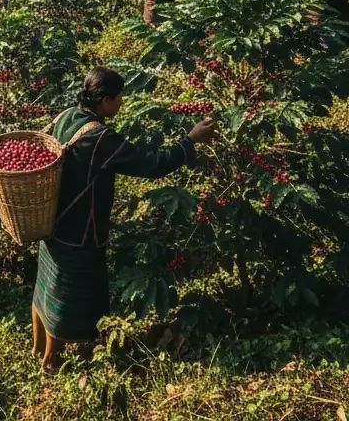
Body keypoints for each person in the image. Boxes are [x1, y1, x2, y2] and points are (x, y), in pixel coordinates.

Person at [32, 67, 215, 369]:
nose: (122, 104)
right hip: (81, 232)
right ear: (105, 100)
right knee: (65, 302)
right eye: (119, 99)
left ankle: (38, 349)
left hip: (52, 223)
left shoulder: (67, 116)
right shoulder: (100, 137)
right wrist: (189, 141)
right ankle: (51, 362)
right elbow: (151, 163)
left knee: (45, 288)